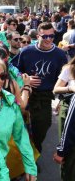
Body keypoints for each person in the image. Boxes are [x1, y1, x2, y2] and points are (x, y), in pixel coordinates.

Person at [11, 22, 67, 154]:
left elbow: (65, 79)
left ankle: (34, 152)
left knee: (42, 127)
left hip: (45, 97)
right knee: (20, 128)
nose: (48, 39)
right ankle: (27, 159)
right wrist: (26, 79)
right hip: (25, 94)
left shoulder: (59, 55)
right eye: (45, 36)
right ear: (38, 35)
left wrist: (60, 99)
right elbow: (12, 71)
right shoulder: (26, 51)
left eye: (51, 36)